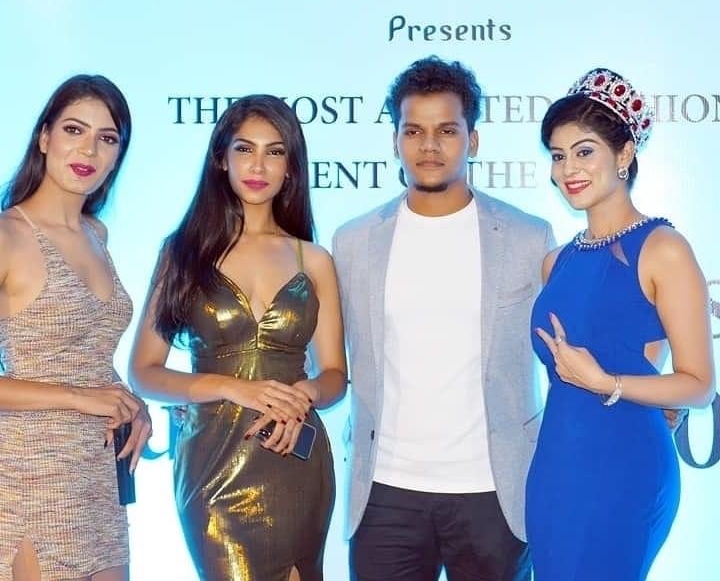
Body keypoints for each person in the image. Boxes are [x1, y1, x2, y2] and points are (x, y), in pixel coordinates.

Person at [332, 56, 554, 581]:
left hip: (494, 493)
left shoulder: (528, 237)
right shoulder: (354, 241)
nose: (429, 145)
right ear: (395, 142)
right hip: (385, 492)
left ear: (472, 140)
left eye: (447, 131)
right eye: (413, 131)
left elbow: (577, 337)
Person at [129, 95, 347, 581]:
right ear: (221, 159)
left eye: (275, 151)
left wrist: (305, 396)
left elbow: (335, 374)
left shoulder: (313, 259)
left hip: (295, 457)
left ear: (291, 167)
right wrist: (232, 387)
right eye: (245, 149)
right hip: (213, 463)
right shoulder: (182, 253)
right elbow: (144, 371)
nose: (258, 165)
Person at [526, 68, 716, 580]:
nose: (568, 169)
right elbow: (638, 349)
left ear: (625, 153)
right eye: (558, 156)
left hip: (625, 468)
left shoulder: (663, 249)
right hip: (556, 466)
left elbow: (699, 385)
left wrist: (605, 382)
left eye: (584, 151)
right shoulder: (556, 262)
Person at [0, 75, 152, 581]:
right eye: (74, 129)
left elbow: (89, 354)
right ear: (44, 137)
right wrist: (80, 397)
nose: (89, 149)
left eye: (107, 138)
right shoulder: (8, 235)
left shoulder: (96, 233)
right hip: (30, 474)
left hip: (98, 474)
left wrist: (129, 402)